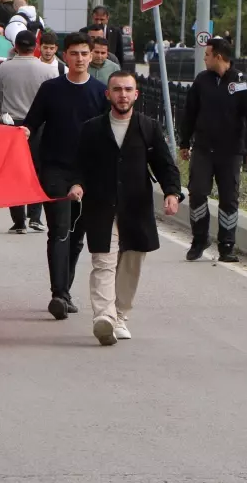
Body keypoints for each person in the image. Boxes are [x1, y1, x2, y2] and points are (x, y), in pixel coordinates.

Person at [69, 72, 182, 346]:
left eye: (128, 89)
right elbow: (78, 165)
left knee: (131, 264)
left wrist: (172, 192)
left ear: (136, 94)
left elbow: (165, 164)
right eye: (117, 89)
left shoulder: (148, 127)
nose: (122, 94)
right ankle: (103, 318)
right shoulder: (92, 128)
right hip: (101, 204)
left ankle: (120, 316)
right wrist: (76, 184)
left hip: (135, 205)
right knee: (104, 262)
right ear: (108, 94)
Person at [22, 32, 108, 320]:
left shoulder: (100, 92)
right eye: (74, 53)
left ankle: (66, 292)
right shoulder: (51, 89)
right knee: (59, 231)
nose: (80, 59)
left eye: (85, 53)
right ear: (64, 55)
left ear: (93, 55)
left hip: (90, 173)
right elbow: (31, 123)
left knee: (77, 235)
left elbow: (110, 135)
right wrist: (22, 132)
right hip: (55, 169)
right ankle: (58, 293)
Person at [178, 37, 247, 262]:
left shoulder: (244, 83)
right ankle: (199, 239)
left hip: (231, 151)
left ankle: (227, 245)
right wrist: (184, 142)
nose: (204, 59)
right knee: (197, 193)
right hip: (203, 149)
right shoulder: (202, 81)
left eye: (207, 55)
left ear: (219, 56)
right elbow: (190, 112)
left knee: (228, 198)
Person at [0, 29, 57, 234]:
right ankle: (35, 217)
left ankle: (18, 219)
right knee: (37, 170)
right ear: (36, 47)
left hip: (11, 125)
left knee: (13, 172)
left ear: (15, 47)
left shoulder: (4, 68)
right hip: (39, 125)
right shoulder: (48, 70)